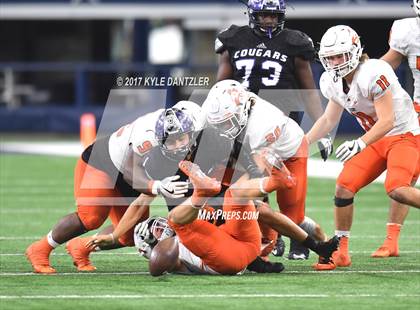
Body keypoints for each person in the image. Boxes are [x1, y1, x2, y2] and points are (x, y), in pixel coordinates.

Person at [215, 0, 326, 259]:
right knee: (250, 188)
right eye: (264, 15)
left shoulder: (294, 41)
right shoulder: (234, 38)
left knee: (291, 207)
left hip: (282, 123)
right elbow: (221, 83)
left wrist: (323, 128)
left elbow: (308, 89)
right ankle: (269, 237)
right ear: (253, 14)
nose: (269, 21)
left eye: (274, 16)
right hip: (241, 123)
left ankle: (300, 235)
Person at [88, 161, 339, 275]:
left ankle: (315, 245)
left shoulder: (208, 154)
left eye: (155, 222)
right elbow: (158, 265)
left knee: (244, 199)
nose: (158, 226)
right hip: (223, 251)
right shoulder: (171, 252)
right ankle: (259, 255)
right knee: (179, 219)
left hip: (230, 234)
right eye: (154, 230)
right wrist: (117, 236)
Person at [25, 106, 191, 274]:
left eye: (181, 139)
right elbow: (130, 173)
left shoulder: (193, 121)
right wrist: (156, 186)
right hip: (103, 162)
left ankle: (82, 246)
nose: (178, 146)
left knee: (130, 234)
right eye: (171, 141)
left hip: (132, 173)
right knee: (91, 217)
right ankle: (40, 249)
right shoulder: (147, 136)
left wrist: (114, 235)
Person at [305, 25, 420, 269]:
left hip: (404, 135)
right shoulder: (331, 81)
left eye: (340, 56)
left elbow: (387, 120)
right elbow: (328, 119)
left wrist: (360, 143)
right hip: (377, 139)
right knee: (344, 187)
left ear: (355, 51)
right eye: (330, 57)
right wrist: (302, 144)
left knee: (398, 188)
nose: (335, 62)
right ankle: (341, 252)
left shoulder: (374, 72)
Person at [371, 0, 420, 258]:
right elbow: (388, 63)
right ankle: (392, 240)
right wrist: (363, 73)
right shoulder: (406, 30)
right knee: (405, 177)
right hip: (418, 113)